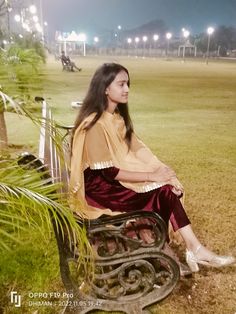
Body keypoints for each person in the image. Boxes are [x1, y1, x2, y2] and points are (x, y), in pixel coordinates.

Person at [69, 63, 235, 274]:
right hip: (99, 191)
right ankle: (176, 251)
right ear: (105, 88)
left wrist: (160, 170)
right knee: (162, 192)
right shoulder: (95, 125)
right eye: (121, 84)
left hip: (109, 185)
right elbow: (108, 172)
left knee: (165, 188)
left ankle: (190, 249)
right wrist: (151, 175)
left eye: (127, 83)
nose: (127, 89)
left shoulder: (116, 118)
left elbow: (136, 150)